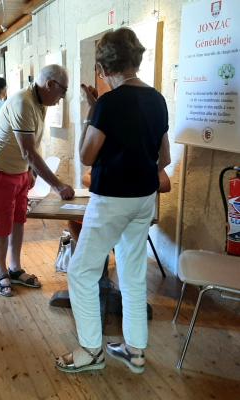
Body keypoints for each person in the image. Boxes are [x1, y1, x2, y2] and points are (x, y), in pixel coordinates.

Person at [55, 28, 171, 374]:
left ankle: (91, 351)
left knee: (81, 271)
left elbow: (86, 155)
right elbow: (163, 158)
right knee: (132, 271)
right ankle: (135, 350)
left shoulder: (108, 103)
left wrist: (92, 113)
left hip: (112, 200)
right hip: (144, 198)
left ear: (104, 68)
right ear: (136, 59)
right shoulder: (157, 99)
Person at [0, 64, 75, 297]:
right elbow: (29, 152)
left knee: (18, 220)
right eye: (63, 91)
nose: (62, 98)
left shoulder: (40, 102)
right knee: (1, 226)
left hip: (19, 170)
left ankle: (15, 268)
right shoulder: (23, 102)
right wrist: (58, 185)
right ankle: (1, 272)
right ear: (50, 84)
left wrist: (29, 172)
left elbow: (32, 145)